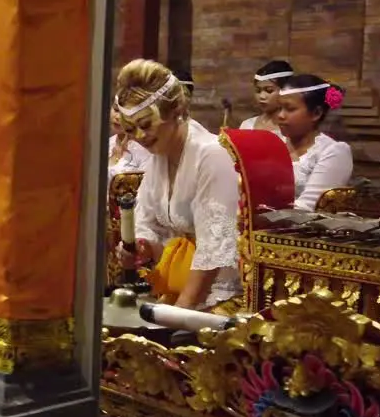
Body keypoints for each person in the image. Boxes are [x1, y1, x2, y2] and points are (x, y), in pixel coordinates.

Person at [114, 60, 240, 309]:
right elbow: (146, 221)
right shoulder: (158, 157)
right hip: (176, 286)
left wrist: (177, 315)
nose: (139, 137)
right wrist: (143, 246)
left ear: (176, 111)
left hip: (218, 293)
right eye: (131, 129)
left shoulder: (211, 155)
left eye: (146, 124)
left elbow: (213, 252)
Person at [275, 74, 354, 211]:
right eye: (279, 108)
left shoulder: (334, 152)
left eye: (290, 109)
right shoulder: (272, 142)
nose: (280, 115)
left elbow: (308, 208)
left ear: (316, 113)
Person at [239, 60, 293, 136]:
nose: (262, 96)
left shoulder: (294, 130)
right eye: (258, 91)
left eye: (269, 91)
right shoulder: (247, 126)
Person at [108, 95, 152, 178]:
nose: (117, 117)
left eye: (124, 114)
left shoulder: (144, 150)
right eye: (116, 110)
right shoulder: (106, 143)